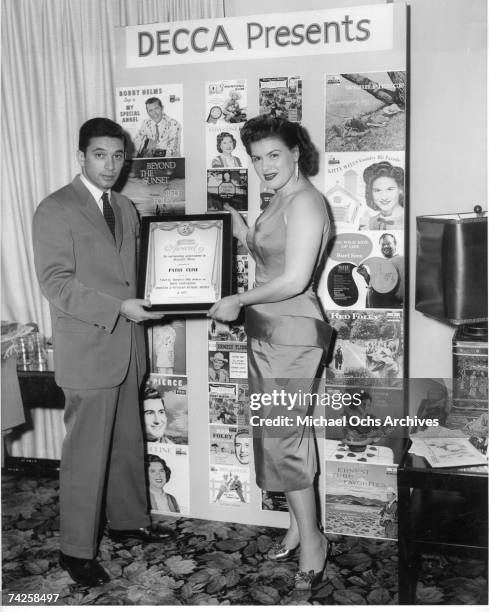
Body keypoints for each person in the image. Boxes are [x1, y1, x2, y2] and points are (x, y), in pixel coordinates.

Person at [31, 118, 169, 588]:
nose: (110, 165)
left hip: (128, 346)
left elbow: (137, 273)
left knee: (129, 443)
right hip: (89, 347)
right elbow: (55, 282)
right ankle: (76, 550)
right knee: (86, 455)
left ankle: (128, 521)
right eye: (99, 155)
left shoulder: (126, 207)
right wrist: (118, 308)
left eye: (117, 156)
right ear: (81, 156)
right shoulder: (55, 208)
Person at [209, 115, 333, 590]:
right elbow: (275, 258)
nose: (264, 167)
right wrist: (245, 234)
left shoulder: (305, 201)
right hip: (269, 330)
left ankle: (315, 539)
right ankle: (299, 525)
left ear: (296, 152)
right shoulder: (281, 198)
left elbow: (295, 279)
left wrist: (237, 300)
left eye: (273, 155)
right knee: (280, 432)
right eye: (256, 159)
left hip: (292, 331)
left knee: (284, 435)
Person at [357, 233, 404, 308]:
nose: (385, 246)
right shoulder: (384, 263)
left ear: (395, 244)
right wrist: (366, 276)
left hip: (389, 309)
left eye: (388, 243)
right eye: (383, 244)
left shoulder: (400, 261)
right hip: (378, 311)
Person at [359, 161, 404, 230]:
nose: (384, 197)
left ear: (400, 190)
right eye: (377, 190)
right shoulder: (368, 222)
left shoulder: (408, 219)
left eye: (390, 189)